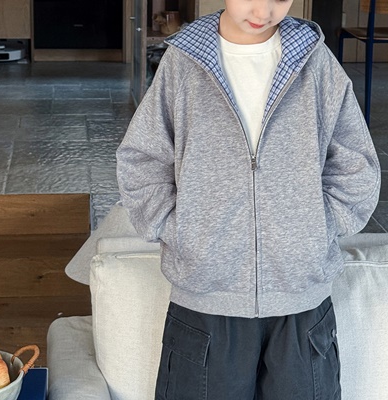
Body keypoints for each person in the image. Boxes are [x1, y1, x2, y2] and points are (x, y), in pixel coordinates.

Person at [116, 1, 381, 399]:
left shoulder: (316, 62)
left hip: (301, 300)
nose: (263, 10)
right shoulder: (183, 62)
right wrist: (179, 230)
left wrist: (316, 228)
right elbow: (142, 158)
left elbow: (356, 163)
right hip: (205, 299)